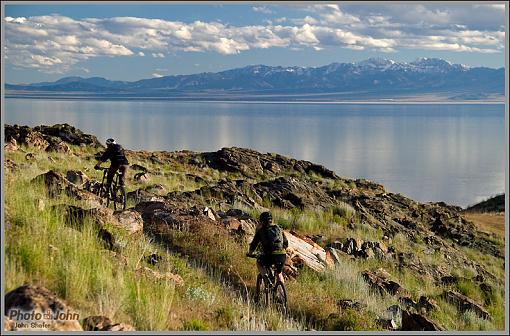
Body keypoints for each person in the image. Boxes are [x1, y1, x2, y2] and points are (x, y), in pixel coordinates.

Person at [247, 212, 288, 286]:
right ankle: (281, 294)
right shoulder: (279, 228)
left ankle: (265, 278)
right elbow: (286, 243)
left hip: (270, 255)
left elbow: (254, 244)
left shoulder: (261, 231)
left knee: (259, 263)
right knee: (279, 273)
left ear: (262, 221)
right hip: (282, 255)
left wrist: (250, 253)